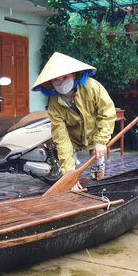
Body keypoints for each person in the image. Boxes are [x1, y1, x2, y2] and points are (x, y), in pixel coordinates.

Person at [32, 52, 117, 190]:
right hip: (72, 140)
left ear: (74, 75)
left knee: (98, 173)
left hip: (95, 135)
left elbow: (107, 113)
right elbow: (62, 139)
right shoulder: (54, 104)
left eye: (65, 77)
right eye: (56, 79)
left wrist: (101, 141)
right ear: (52, 83)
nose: (62, 82)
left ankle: (98, 189)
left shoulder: (92, 87)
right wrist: (69, 175)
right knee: (70, 176)